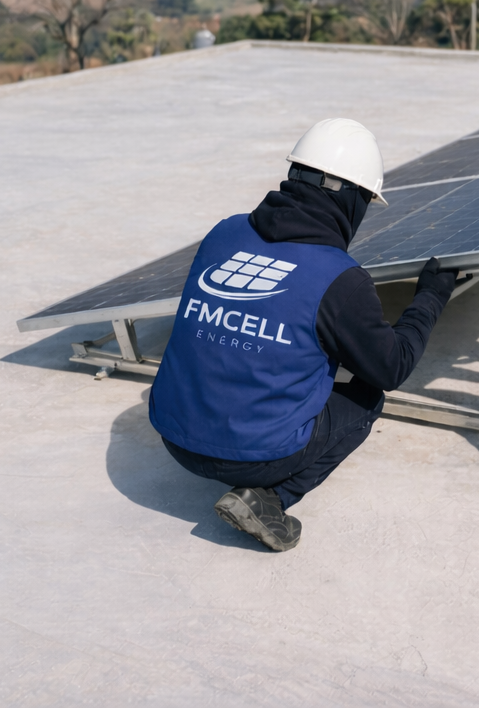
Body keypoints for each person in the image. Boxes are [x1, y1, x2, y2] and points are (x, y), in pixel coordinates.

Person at [149, 118, 460, 552]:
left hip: (173, 438)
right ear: (353, 198)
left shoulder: (223, 233)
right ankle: (272, 498)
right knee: (366, 396)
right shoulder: (340, 279)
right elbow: (392, 367)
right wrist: (431, 295)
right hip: (256, 457)